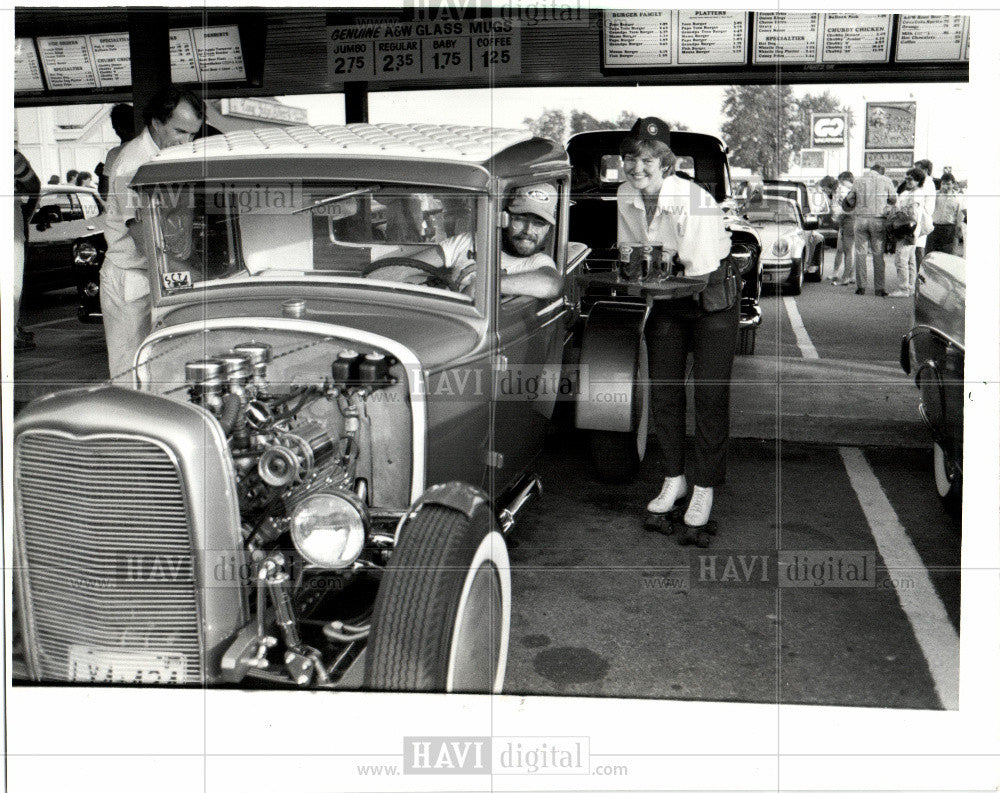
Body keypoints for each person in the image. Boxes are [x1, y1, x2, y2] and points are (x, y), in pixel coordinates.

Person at [616, 117, 733, 540]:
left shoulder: (695, 199)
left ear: (667, 165)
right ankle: (673, 478)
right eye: (630, 157)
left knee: (710, 395)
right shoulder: (625, 193)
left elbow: (697, 272)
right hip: (667, 294)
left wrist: (647, 280)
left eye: (647, 159)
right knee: (664, 391)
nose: (636, 167)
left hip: (709, 299)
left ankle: (703, 487)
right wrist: (632, 276)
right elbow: (633, 252)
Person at [101, 85, 203, 383]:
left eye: (193, 134)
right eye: (180, 131)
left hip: (165, 273)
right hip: (134, 279)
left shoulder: (172, 156)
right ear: (156, 122)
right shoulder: (131, 164)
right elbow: (142, 237)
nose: (187, 141)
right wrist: (196, 278)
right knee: (130, 372)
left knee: (166, 367)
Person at [440, 183, 562, 299]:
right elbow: (420, 264)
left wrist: (484, 286)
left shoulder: (537, 262)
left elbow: (552, 285)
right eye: (520, 219)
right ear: (505, 218)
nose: (528, 231)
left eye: (539, 223)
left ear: (548, 229)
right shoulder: (470, 241)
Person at [845, 163, 895, 296]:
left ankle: (861, 287)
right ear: (881, 172)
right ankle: (879, 288)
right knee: (878, 255)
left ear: (870, 171)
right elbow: (893, 199)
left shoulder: (859, 180)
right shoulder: (886, 180)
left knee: (860, 253)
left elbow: (849, 200)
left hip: (860, 220)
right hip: (878, 220)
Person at [14, 149, 41, 351]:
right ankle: (12, 333)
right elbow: (34, 186)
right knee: (11, 286)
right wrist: (26, 215)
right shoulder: (10, 154)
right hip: (9, 224)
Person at [887, 168, 923, 298]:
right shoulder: (911, 192)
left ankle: (903, 288)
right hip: (912, 230)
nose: (907, 181)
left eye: (910, 179)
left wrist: (899, 213)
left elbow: (912, 212)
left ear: (918, 181)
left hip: (907, 230)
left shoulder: (916, 194)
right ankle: (911, 286)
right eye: (906, 178)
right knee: (910, 259)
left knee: (901, 259)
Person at [98, 103, 136, 201]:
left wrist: (101, 175)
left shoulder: (115, 154)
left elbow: (105, 194)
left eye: (114, 127)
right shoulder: (150, 147)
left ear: (119, 127)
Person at [925, 171, 964, 255]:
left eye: (948, 184)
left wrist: (958, 232)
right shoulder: (934, 195)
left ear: (953, 184)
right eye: (943, 184)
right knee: (931, 255)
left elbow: (960, 217)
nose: (945, 186)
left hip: (949, 229)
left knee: (948, 256)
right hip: (934, 228)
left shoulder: (958, 198)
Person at [827, 171, 855, 286]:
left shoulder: (850, 191)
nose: (840, 184)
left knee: (849, 250)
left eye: (842, 181)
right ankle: (848, 275)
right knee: (845, 250)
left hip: (848, 220)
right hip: (846, 221)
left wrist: (839, 215)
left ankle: (847, 276)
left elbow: (848, 208)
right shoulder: (848, 190)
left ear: (848, 180)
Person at [912, 159, 937, 269]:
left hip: (922, 218)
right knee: (916, 249)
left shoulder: (927, 183)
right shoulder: (923, 182)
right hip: (919, 217)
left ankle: (917, 280)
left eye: (918, 169)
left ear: (925, 170)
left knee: (918, 250)